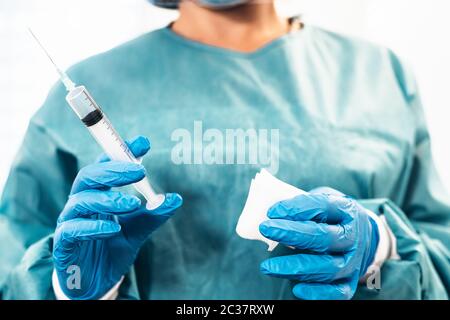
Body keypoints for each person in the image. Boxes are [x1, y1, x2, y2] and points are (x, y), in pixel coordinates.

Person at [0, 0, 449, 300]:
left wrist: (379, 247)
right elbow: (11, 270)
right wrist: (71, 286)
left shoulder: (379, 75)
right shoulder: (97, 82)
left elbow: (441, 258)